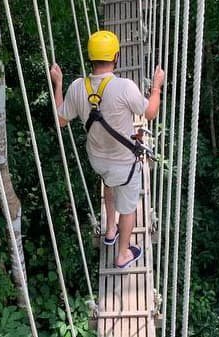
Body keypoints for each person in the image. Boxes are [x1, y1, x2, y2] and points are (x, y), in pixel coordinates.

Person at [50, 31, 165, 270]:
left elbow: (61, 120)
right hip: (124, 165)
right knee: (129, 209)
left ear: (90, 57)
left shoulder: (76, 87)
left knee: (109, 184)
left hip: (98, 161)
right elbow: (150, 113)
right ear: (116, 56)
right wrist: (156, 87)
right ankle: (122, 254)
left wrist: (58, 84)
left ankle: (110, 230)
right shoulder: (125, 87)